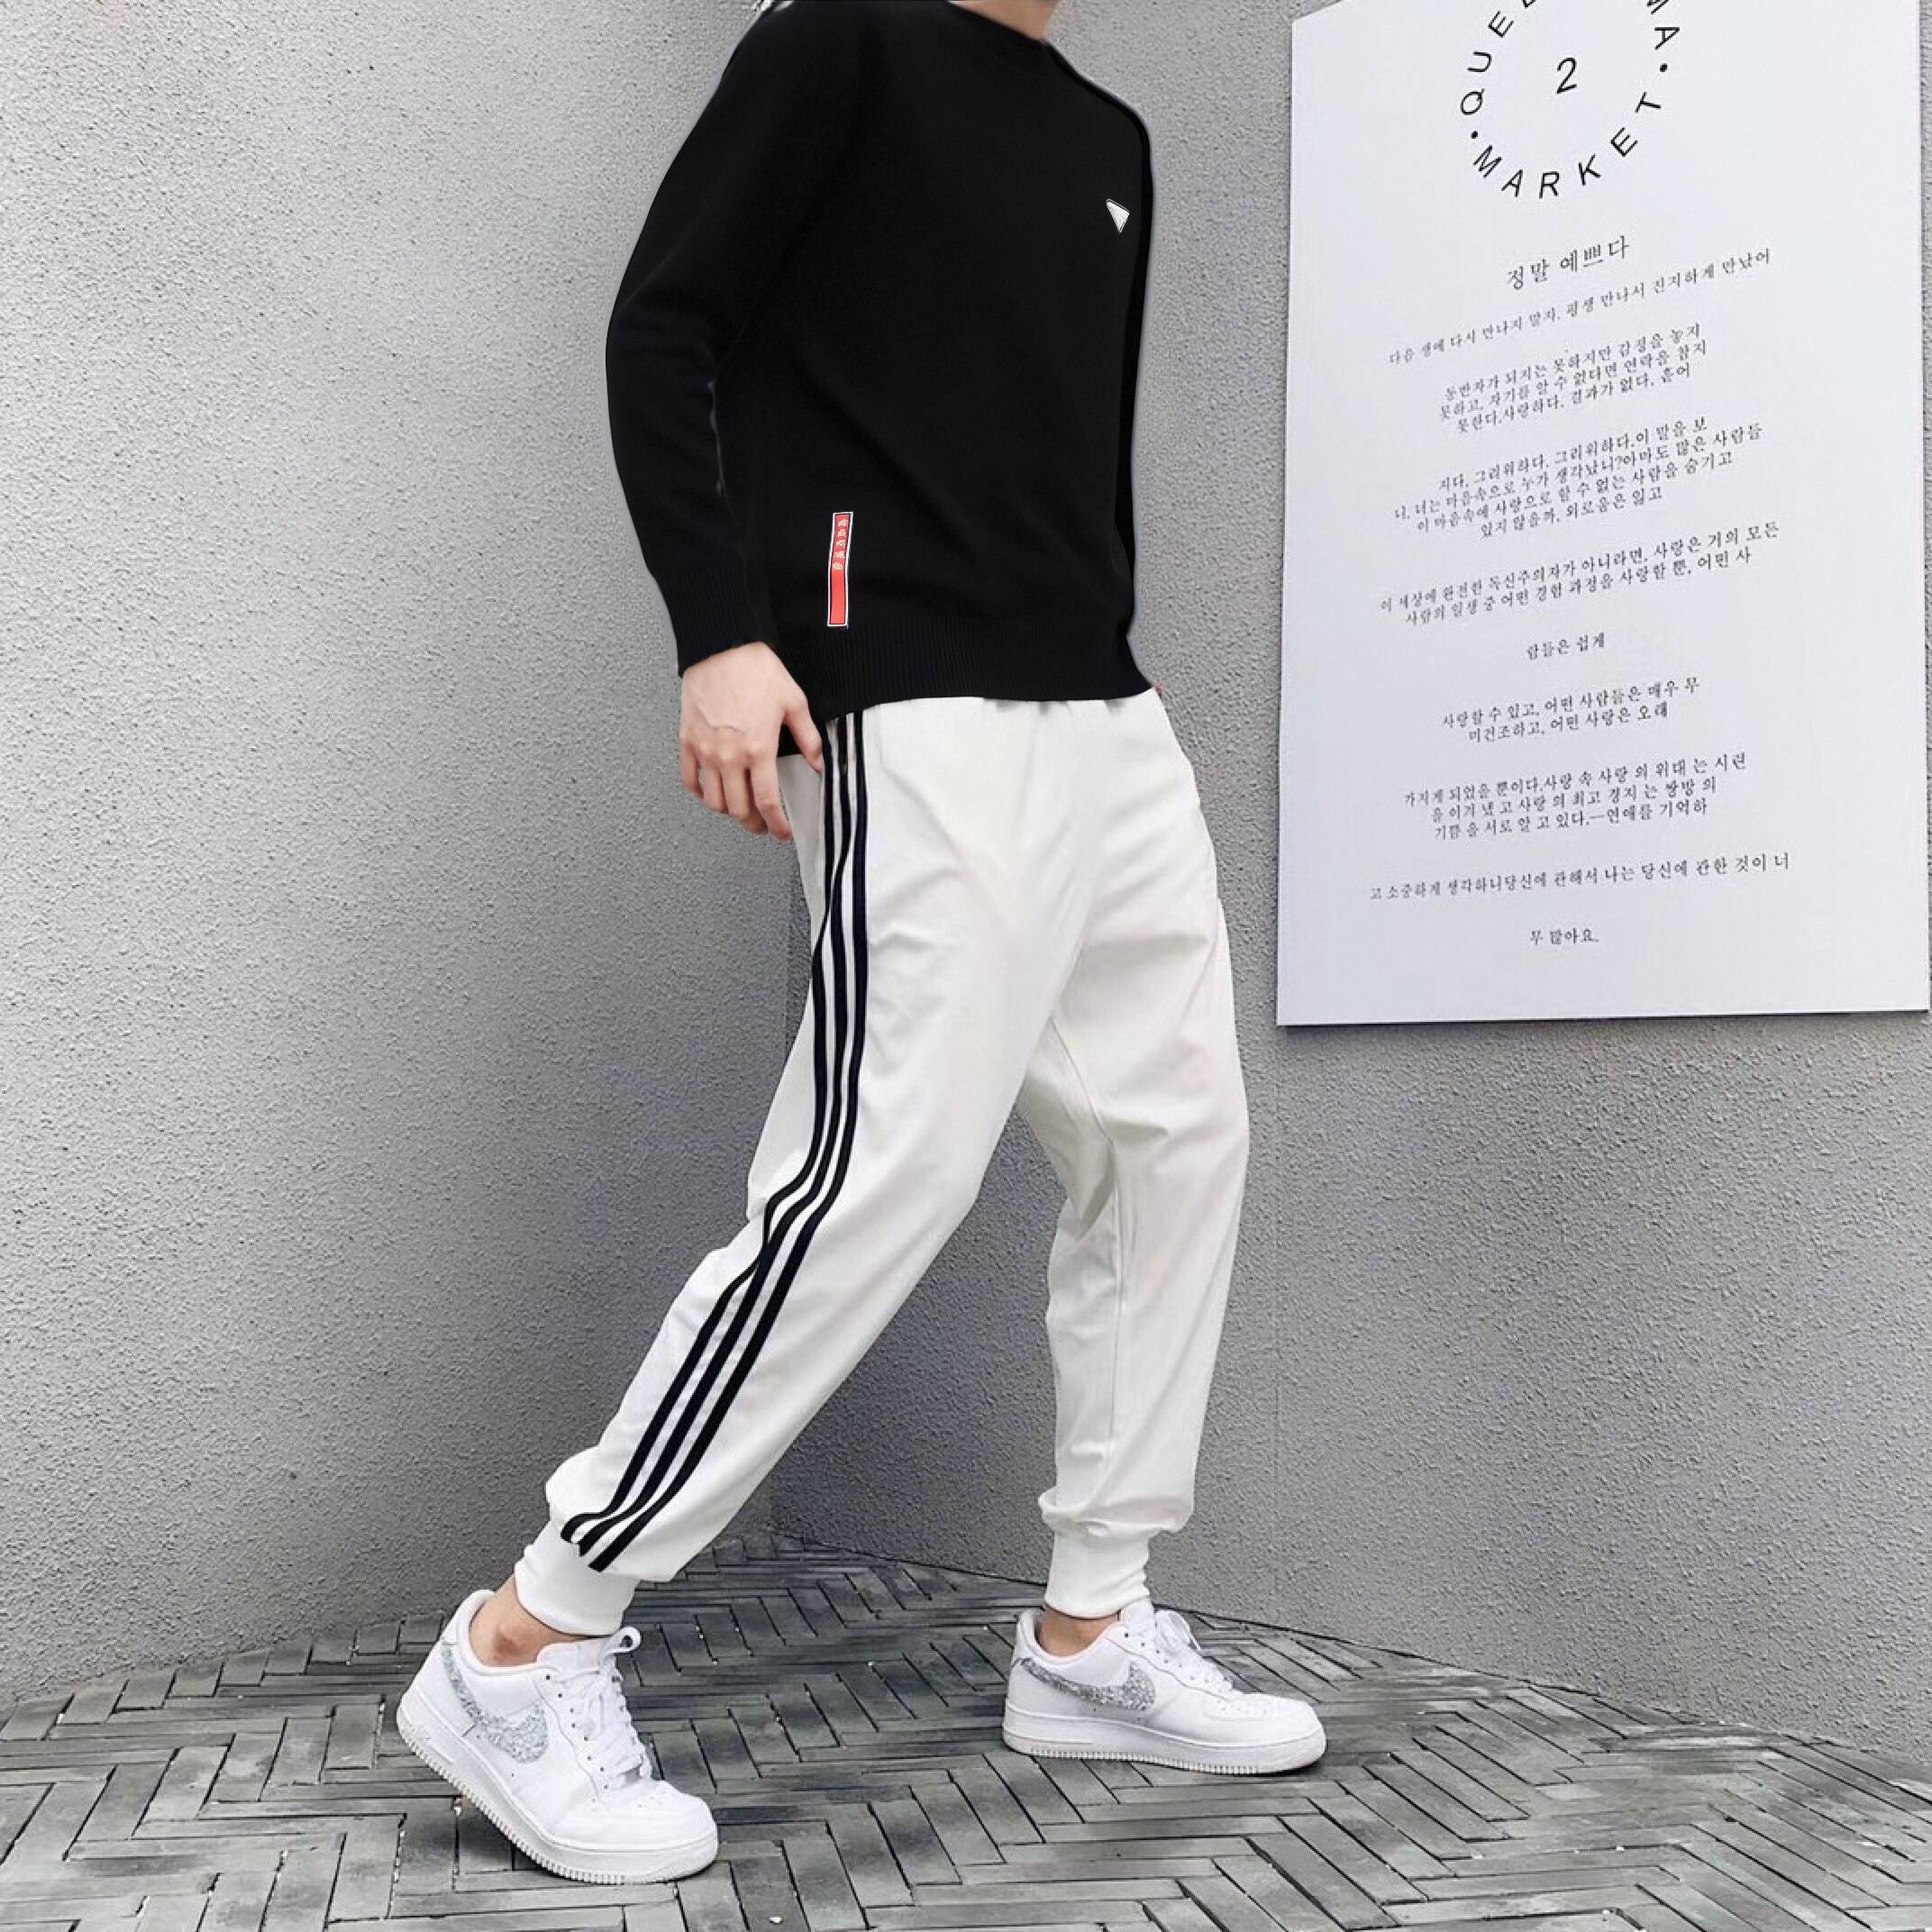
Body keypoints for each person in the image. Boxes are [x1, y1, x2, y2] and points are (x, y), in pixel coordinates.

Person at [396, 0, 1326, 1886]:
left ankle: (1091, 1628)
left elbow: (1066, 456)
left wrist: (1109, 677)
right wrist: (720, 630)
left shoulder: (1110, 139)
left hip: (1101, 710)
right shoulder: (840, 39)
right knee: (877, 1166)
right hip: (901, 688)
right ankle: (528, 1637)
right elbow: (666, 325)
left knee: (1177, 1145)